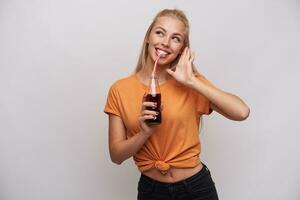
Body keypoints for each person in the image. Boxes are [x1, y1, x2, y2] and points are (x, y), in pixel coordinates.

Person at [104, 8, 250, 200]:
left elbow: (241, 112)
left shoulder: (190, 83)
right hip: (151, 192)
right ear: (148, 37)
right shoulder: (119, 89)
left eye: (176, 38)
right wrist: (145, 132)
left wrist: (192, 82)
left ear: (182, 48)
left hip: (196, 188)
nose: (165, 43)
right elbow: (116, 156)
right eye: (160, 33)